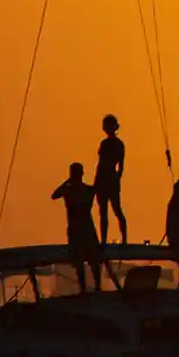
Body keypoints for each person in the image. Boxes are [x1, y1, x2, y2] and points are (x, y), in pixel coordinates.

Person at [52, 162, 102, 291]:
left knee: (91, 260)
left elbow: (55, 194)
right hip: (80, 229)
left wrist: (67, 181)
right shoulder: (76, 189)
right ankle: (89, 288)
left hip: (83, 229)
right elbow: (54, 195)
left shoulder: (80, 189)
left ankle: (92, 287)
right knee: (84, 261)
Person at [94, 114, 128, 244]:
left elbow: (120, 166)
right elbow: (101, 164)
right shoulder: (105, 143)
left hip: (110, 179)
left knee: (116, 209)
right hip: (104, 178)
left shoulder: (118, 144)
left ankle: (124, 239)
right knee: (103, 212)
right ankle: (103, 240)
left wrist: (116, 178)